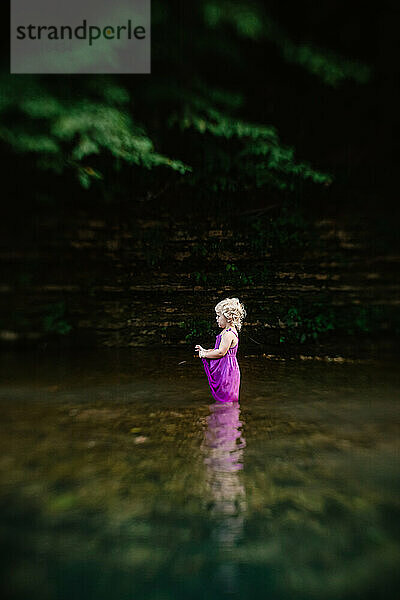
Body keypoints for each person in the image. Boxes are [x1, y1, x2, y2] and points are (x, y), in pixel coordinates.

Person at [195, 298, 246, 403]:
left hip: (227, 370)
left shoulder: (228, 334)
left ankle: (228, 417)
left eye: (218, 316)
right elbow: (217, 349)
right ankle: (222, 416)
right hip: (224, 368)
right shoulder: (226, 331)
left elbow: (220, 352)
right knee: (224, 395)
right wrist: (206, 350)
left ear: (228, 317)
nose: (216, 319)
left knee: (227, 396)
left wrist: (204, 354)